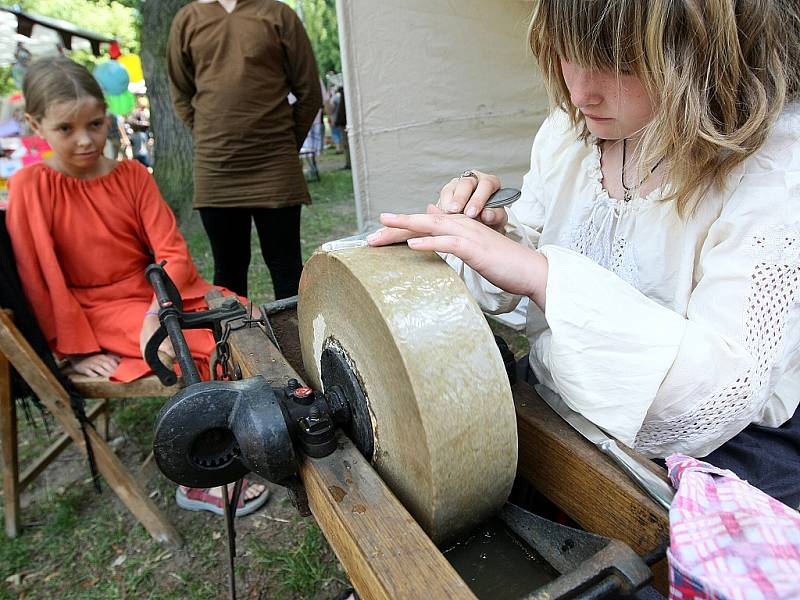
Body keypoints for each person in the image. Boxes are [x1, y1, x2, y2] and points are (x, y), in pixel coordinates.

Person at [368, 0, 800, 508]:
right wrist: (494, 238)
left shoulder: (778, 167)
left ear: (706, 57)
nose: (578, 91)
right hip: (563, 401)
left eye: (619, 64)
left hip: (720, 451)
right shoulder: (569, 131)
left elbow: (716, 397)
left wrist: (543, 275)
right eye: (568, 53)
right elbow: (531, 270)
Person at [6, 55, 268, 516]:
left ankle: (252, 426)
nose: (86, 139)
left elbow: (172, 252)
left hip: (155, 290)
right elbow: (38, 275)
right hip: (92, 306)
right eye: (66, 129)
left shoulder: (131, 176)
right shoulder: (32, 185)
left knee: (246, 319)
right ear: (35, 124)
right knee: (190, 349)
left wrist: (155, 313)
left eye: (95, 123)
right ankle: (204, 472)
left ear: (108, 115)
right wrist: (75, 347)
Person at [167, 0, 323, 299]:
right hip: (216, 169)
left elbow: (309, 91)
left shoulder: (278, 14)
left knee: (286, 267)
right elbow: (180, 93)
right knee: (228, 270)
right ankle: (231, 347)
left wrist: (285, 144)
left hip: (275, 167)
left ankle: (295, 345)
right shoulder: (187, 20)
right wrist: (209, 134)